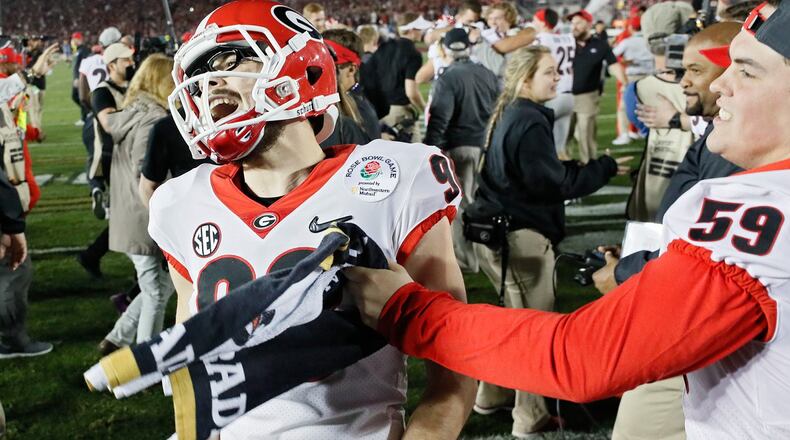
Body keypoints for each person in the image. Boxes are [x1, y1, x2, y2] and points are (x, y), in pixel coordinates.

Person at [346, 3, 790, 438]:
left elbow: (580, 359)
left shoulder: (762, 207)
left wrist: (406, 310)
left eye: (748, 71)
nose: (722, 84)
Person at [150, 1, 475, 437]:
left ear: (300, 70)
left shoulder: (392, 180)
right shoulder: (183, 202)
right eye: (198, 74)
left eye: (228, 60)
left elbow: (454, 362)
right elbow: (192, 359)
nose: (209, 85)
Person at [464, 45, 629, 438]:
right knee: (535, 331)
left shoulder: (510, 110)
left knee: (510, 319)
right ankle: (530, 417)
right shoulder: (528, 119)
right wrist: (601, 168)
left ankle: (492, 394)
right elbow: (551, 185)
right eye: (550, 73)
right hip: (520, 238)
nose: (558, 78)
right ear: (525, 80)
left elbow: (535, 173)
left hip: (495, 233)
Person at [97, 54, 175, 355]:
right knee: (156, 291)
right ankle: (147, 361)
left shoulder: (131, 111)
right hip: (142, 215)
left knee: (159, 286)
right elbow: (146, 174)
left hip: (128, 213)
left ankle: (117, 338)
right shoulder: (153, 118)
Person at [423, 28, 498, 274]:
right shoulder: (487, 73)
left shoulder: (448, 77)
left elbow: (440, 117)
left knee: (459, 204)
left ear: (446, 48)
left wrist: (429, 149)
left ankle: (468, 261)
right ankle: (486, 254)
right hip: (486, 146)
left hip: (458, 147)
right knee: (478, 200)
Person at [568, 9, 628, 163]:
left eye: (578, 23)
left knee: (586, 135)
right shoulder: (565, 42)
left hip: (587, 96)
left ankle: (589, 168)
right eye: (572, 23)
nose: (574, 26)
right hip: (563, 95)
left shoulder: (600, 45)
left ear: (589, 24)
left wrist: (625, 83)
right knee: (562, 135)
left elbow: (613, 65)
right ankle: (562, 170)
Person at [365, 12, 428, 142]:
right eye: (419, 28)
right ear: (411, 30)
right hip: (399, 113)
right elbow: (411, 92)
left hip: (378, 110)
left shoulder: (384, 47)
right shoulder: (413, 53)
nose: (422, 31)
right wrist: (424, 109)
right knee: (414, 155)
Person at [532, 8, 576, 160]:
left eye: (535, 21)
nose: (533, 24)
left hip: (552, 95)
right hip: (569, 95)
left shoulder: (542, 38)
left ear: (543, 23)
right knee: (560, 150)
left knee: (542, 150)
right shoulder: (568, 37)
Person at [612, 16, 654, 146]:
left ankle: (624, 135)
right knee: (648, 106)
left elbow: (612, 55)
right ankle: (646, 131)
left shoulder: (627, 41)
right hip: (649, 77)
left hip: (632, 77)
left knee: (624, 107)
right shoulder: (649, 42)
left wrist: (625, 61)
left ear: (631, 28)